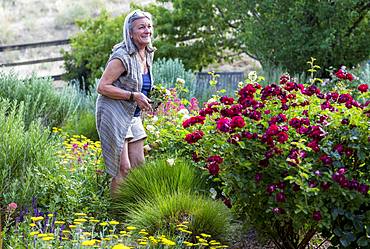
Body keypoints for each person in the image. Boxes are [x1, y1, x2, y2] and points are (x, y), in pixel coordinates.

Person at [96, 9, 155, 194]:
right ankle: (116, 217)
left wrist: (153, 98)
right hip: (114, 111)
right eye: (141, 27)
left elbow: (141, 85)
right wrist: (133, 96)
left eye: (149, 26)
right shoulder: (122, 56)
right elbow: (102, 87)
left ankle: (134, 209)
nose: (147, 31)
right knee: (124, 168)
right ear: (130, 32)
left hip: (132, 114)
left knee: (139, 166)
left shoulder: (147, 53)